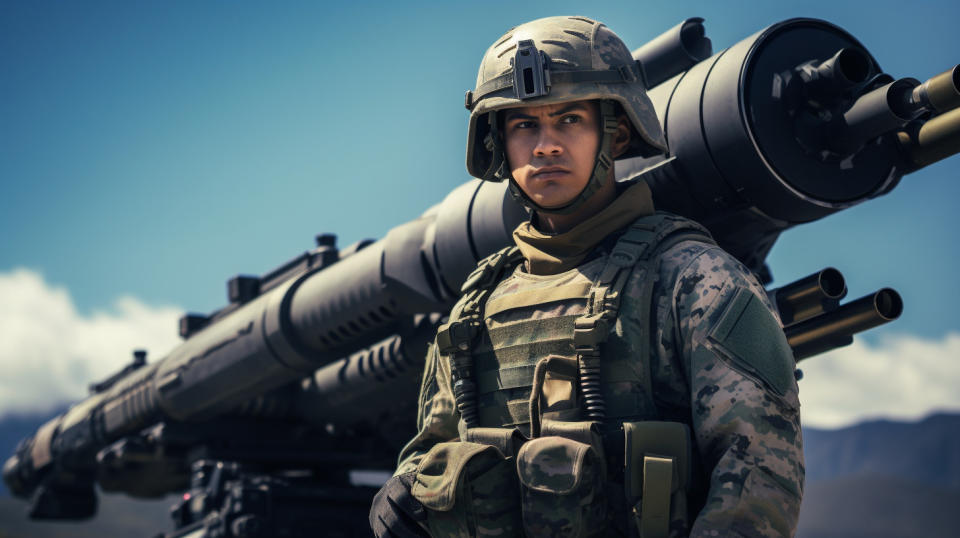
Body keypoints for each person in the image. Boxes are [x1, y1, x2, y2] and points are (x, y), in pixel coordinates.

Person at [370, 15, 803, 538]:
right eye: (524, 124)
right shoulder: (475, 307)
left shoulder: (695, 279)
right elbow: (432, 453)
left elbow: (760, 474)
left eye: (569, 119)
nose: (545, 145)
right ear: (499, 145)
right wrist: (404, 493)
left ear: (616, 134)